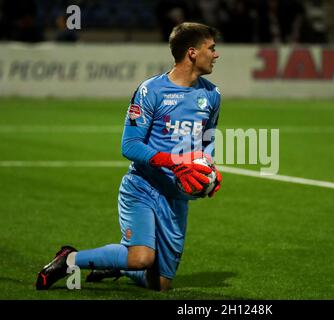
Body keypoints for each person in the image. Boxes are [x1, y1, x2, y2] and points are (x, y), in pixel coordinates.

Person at [35, 22, 222, 292]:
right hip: (143, 188)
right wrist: (175, 162)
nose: (216, 54)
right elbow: (130, 145)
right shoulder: (151, 91)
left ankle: (115, 264)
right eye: (211, 48)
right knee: (142, 257)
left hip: (176, 197)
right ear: (192, 52)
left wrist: (209, 170)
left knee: (159, 284)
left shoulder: (212, 95)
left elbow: (208, 137)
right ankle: (70, 259)